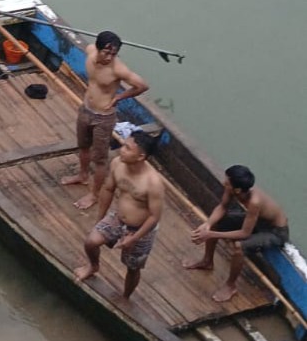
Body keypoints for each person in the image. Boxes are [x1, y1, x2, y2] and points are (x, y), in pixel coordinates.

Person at [61, 31, 149, 209]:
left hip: (103, 117)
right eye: (106, 52)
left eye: (113, 54)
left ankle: (94, 194)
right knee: (83, 146)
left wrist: (119, 97)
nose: (109, 57)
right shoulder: (91, 50)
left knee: (100, 158)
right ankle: (83, 175)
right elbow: (90, 45)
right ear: (98, 48)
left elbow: (142, 86)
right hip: (85, 109)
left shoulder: (118, 69)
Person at [74, 131, 164, 299]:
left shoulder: (153, 183)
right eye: (124, 145)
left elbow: (154, 216)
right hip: (117, 217)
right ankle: (93, 266)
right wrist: (99, 218)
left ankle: (126, 296)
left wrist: (135, 238)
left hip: (140, 229)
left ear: (140, 156)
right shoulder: (117, 163)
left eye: (128, 148)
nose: (122, 150)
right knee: (91, 242)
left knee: (132, 267)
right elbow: (108, 189)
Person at [184, 165, 289, 302]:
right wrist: (208, 225)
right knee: (216, 222)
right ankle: (207, 261)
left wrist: (211, 235)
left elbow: (245, 233)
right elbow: (222, 207)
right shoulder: (232, 189)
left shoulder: (254, 202)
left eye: (227, 183)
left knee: (239, 247)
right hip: (255, 220)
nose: (224, 183)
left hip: (274, 231)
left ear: (237, 189)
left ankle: (230, 285)